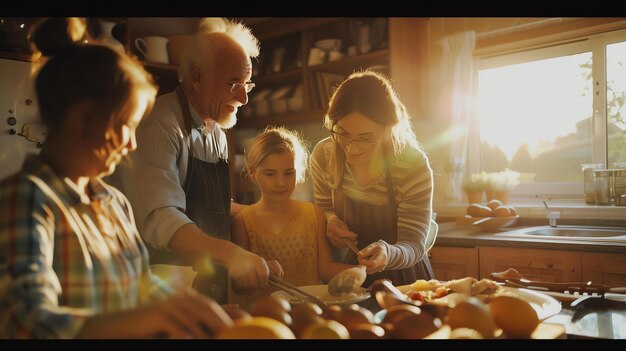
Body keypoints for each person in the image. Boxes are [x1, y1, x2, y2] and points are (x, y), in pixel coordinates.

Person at [0, 17, 232, 338]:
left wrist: (190, 311)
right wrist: (141, 322)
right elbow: (23, 322)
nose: (132, 144)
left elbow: (142, 286)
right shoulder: (26, 200)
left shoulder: (115, 203)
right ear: (85, 118)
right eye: (127, 127)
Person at [110, 18, 269, 304]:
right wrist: (231, 253)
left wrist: (275, 217)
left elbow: (211, 206)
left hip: (204, 281)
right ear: (197, 78)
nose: (244, 98)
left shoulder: (216, 132)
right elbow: (161, 216)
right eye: (234, 83)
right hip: (159, 285)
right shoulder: (159, 122)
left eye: (248, 84)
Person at [309, 70, 437, 288]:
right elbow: (323, 210)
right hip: (353, 272)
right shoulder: (324, 155)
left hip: (406, 278)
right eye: (343, 133)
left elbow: (413, 245)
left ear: (389, 128)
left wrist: (387, 252)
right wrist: (330, 221)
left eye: (365, 138)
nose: (351, 147)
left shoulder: (411, 165)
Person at [231, 127, 356, 303]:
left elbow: (325, 269)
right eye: (270, 174)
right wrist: (258, 270)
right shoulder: (243, 222)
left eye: (289, 173)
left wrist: (364, 271)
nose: (281, 182)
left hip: (310, 313)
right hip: (267, 318)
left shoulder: (314, 214)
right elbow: (238, 285)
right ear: (252, 174)